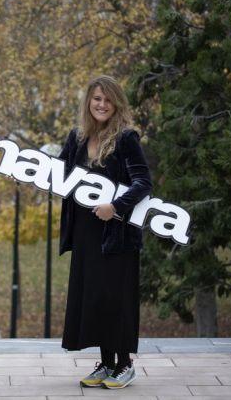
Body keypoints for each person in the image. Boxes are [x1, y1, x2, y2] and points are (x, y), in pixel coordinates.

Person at [59, 75, 152, 390]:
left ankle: (124, 364)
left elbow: (143, 183)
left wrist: (115, 207)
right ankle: (106, 363)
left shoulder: (126, 138)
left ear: (116, 104)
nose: (101, 105)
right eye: (96, 99)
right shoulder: (77, 138)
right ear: (88, 101)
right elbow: (58, 176)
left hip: (118, 236)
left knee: (116, 299)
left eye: (107, 100)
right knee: (95, 299)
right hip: (86, 233)